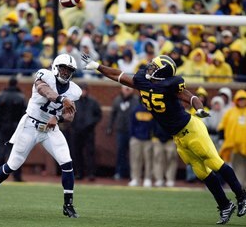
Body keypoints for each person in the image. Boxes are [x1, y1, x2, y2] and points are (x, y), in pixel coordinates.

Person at [82, 53, 246, 224]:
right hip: (177, 136)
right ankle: (225, 205)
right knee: (201, 172)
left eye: (154, 67)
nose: (150, 67)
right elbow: (118, 75)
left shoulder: (171, 85)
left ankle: (242, 197)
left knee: (214, 163)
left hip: (191, 129)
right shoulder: (142, 81)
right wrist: (97, 66)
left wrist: (199, 109)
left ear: (162, 73)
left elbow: (191, 97)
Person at [0, 54, 82, 218]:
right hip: (30, 125)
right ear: (55, 67)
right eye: (63, 68)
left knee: (67, 162)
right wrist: (61, 99)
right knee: (12, 165)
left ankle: (68, 204)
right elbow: (44, 90)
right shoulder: (44, 75)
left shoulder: (74, 90)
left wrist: (58, 118)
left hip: (50, 129)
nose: (65, 72)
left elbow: (70, 116)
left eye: (69, 70)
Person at [0, 75, 26, 182]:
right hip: (16, 129)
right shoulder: (21, 97)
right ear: (16, 84)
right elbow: (25, 115)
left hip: (1, 128)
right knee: (16, 153)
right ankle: (17, 176)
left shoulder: (0, 96)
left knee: (0, 153)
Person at [70, 83, 102, 181]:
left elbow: (98, 115)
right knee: (76, 153)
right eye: (81, 90)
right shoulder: (74, 101)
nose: (83, 92)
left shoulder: (93, 102)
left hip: (89, 132)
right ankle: (79, 173)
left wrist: (91, 123)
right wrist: (73, 124)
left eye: (84, 90)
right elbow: (68, 113)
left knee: (90, 153)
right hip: (76, 131)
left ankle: (91, 173)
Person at [106, 86, 139, 180]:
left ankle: (133, 174)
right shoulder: (117, 100)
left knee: (134, 154)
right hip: (121, 130)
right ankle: (119, 172)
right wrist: (110, 127)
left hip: (133, 131)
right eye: (125, 89)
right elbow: (112, 115)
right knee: (120, 152)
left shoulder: (136, 100)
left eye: (129, 89)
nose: (127, 91)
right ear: (121, 89)